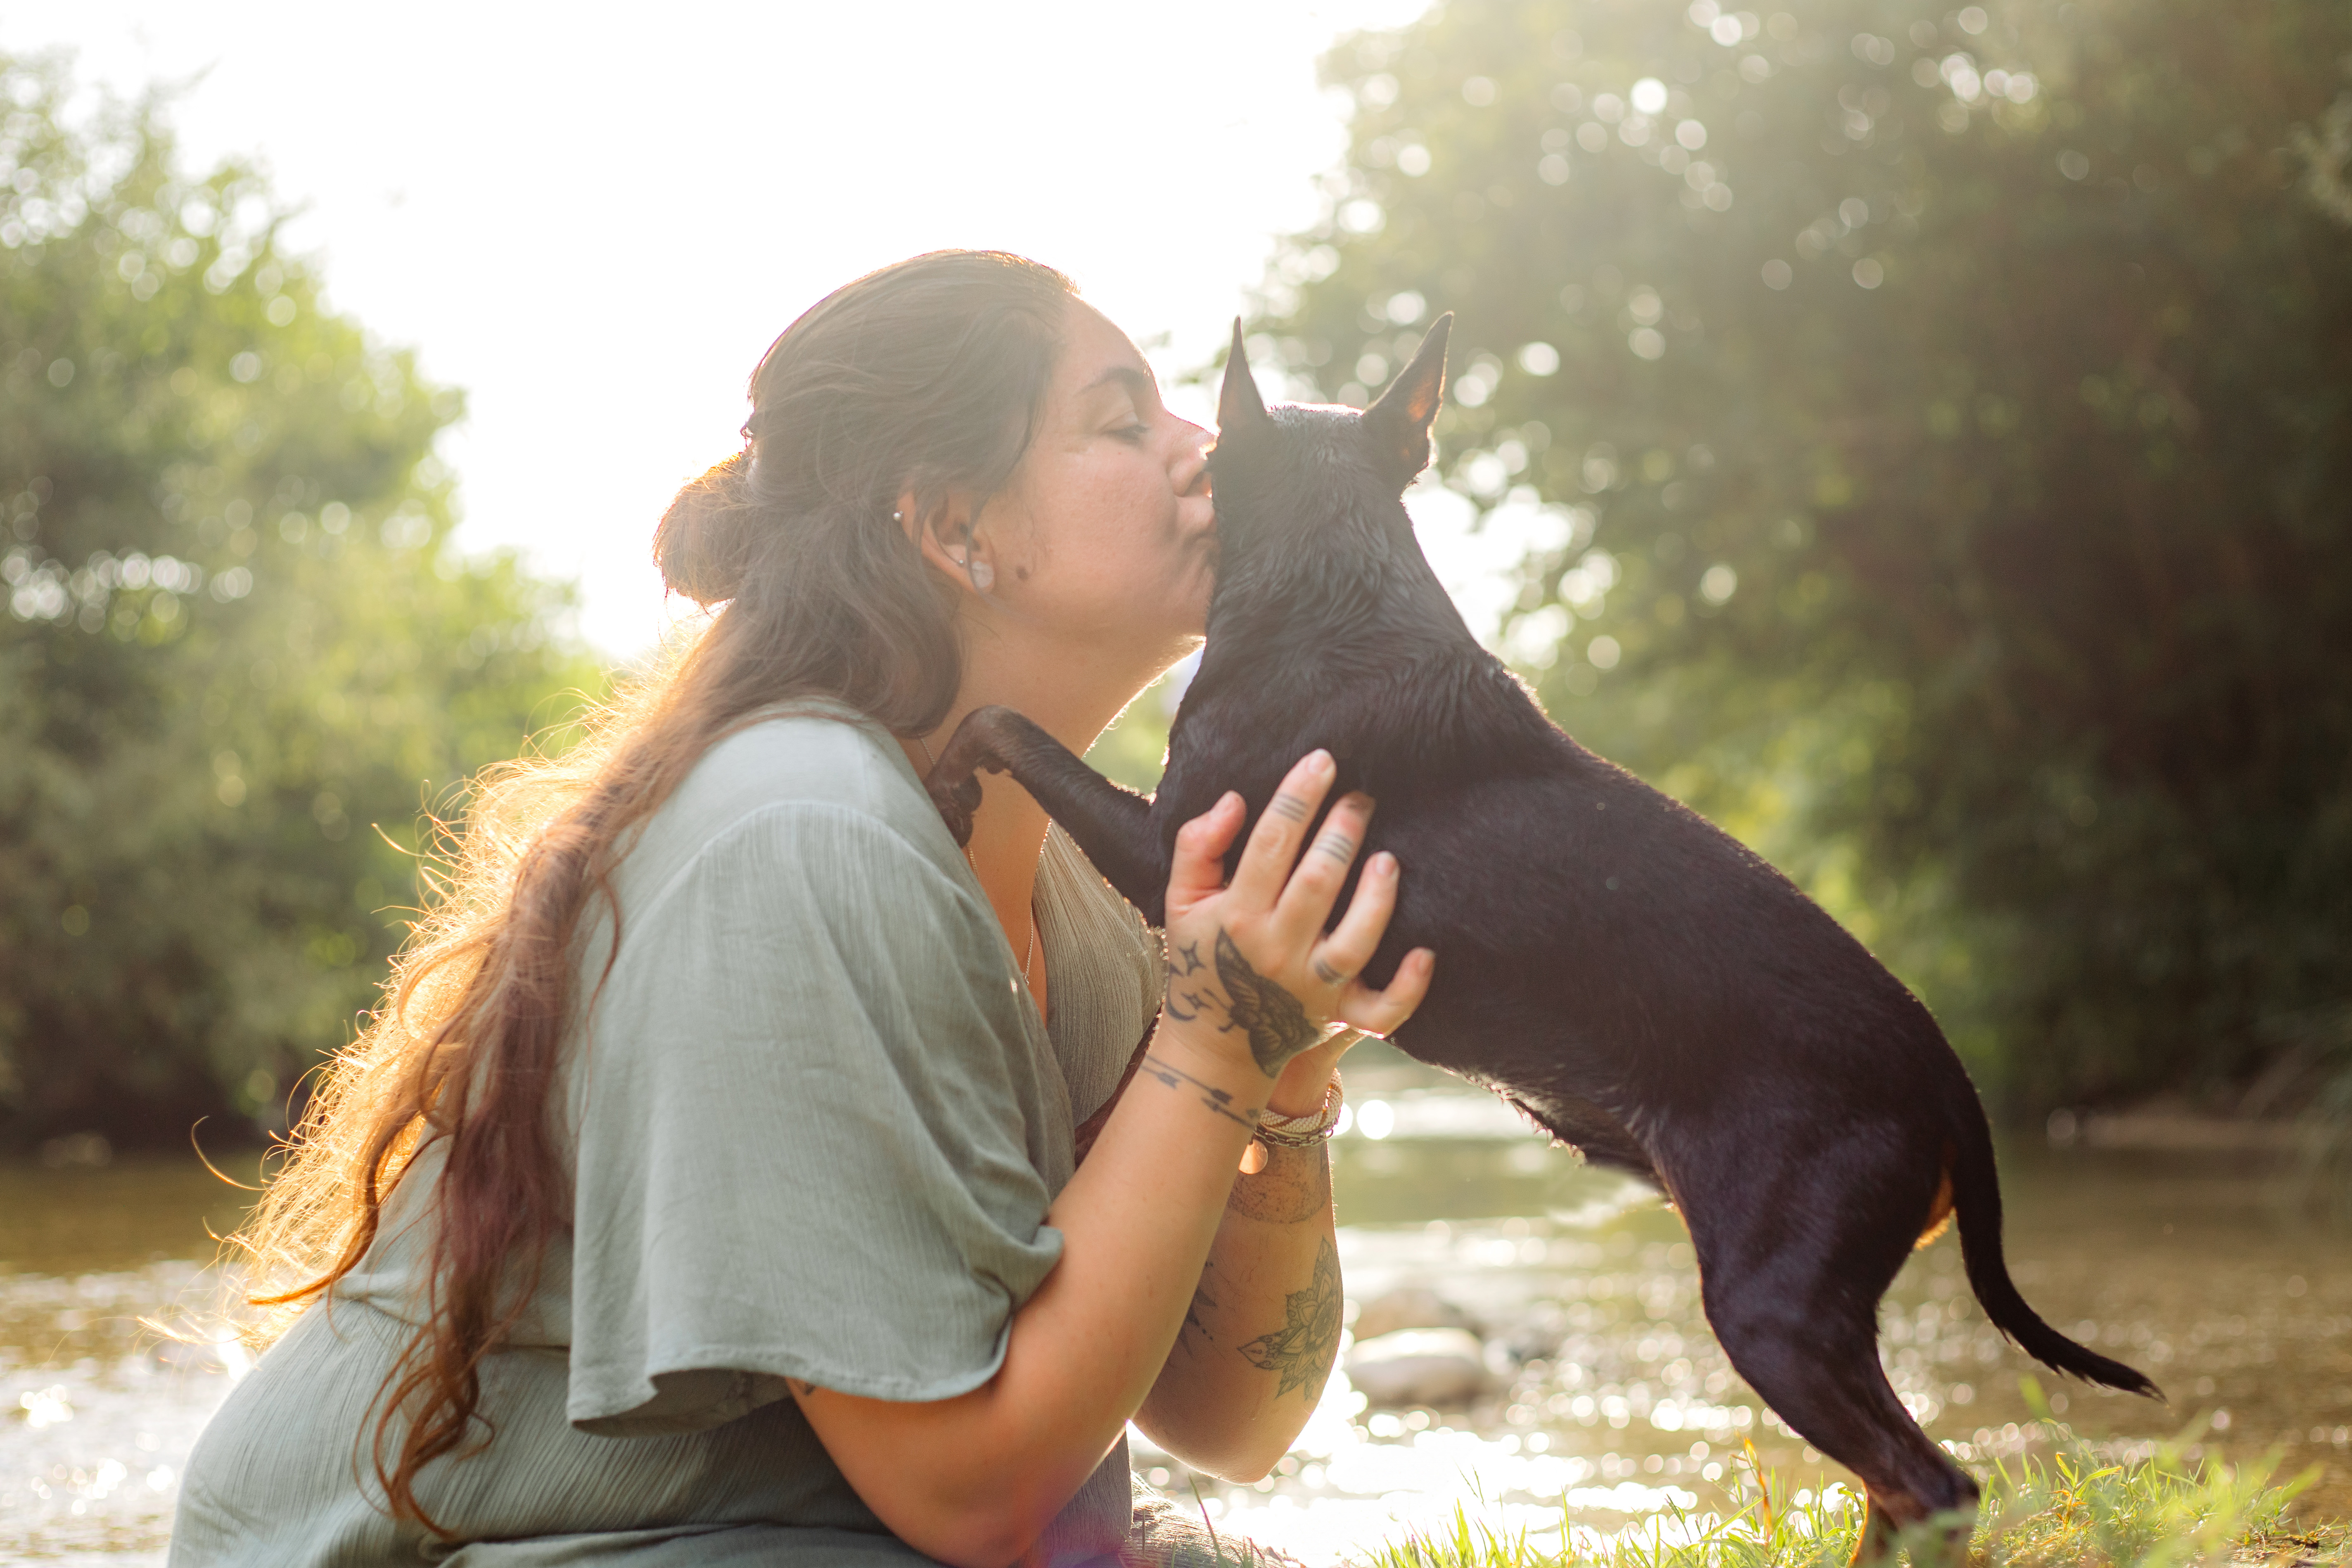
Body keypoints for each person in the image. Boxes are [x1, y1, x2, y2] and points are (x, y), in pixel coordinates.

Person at [167, 250, 1436, 1568]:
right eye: (1124, 422)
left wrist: (1276, 1091)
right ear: (957, 530)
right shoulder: (806, 833)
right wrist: (1214, 1043)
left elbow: (1230, 1421)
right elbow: (969, 1500)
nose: (1204, 451)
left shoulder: (1076, 880)